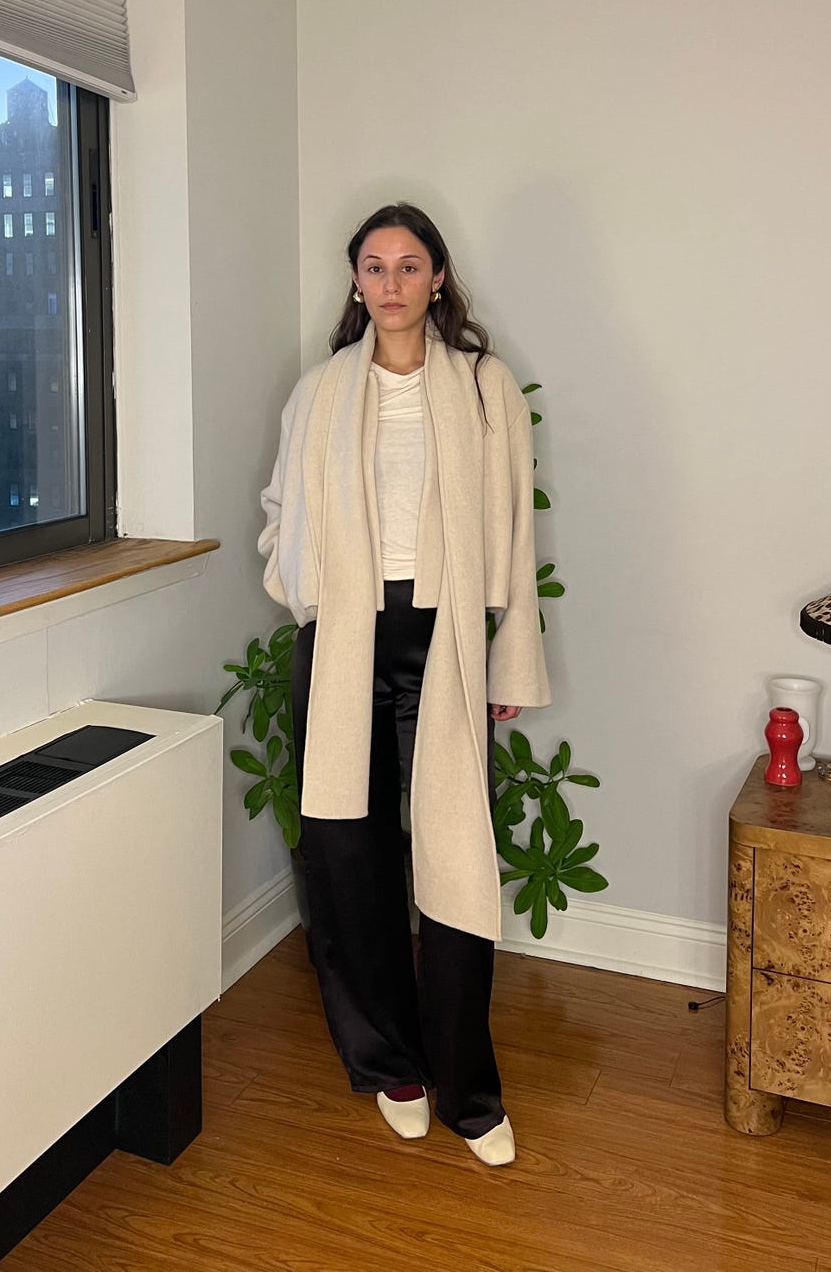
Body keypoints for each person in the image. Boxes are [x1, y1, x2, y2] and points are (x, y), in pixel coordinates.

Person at [258, 202, 551, 1166]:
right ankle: (394, 1066)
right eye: (374, 267)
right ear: (356, 283)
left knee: (457, 860)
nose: (391, 283)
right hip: (341, 640)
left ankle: (470, 1089)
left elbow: (512, 526)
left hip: (445, 639)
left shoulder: (481, 386)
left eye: (409, 265)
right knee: (351, 858)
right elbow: (280, 508)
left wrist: (508, 655)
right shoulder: (320, 391)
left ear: (437, 279)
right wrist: (298, 587)